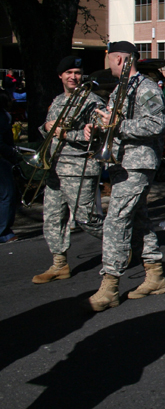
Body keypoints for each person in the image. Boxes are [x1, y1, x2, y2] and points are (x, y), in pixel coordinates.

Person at [82, 41, 165, 311]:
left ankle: (110, 284)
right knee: (140, 219)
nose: (109, 64)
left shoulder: (146, 87)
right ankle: (155, 275)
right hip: (122, 162)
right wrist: (93, 126)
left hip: (138, 163)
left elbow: (156, 124)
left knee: (116, 220)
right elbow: (110, 120)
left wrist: (117, 125)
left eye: (109, 59)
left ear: (119, 59)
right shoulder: (121, 89)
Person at [32, 56, 105, 283]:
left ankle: (126, 241)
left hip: (78, 167)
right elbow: (49, 128)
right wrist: (45, 127)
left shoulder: (92, 101)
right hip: (55, 166)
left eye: (77, 72)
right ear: (60, 76)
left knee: (87, 218)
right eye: (69, 73)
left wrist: (66, 134)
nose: (73, 77)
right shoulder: (57, 100)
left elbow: (98, 133)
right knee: (53, 218)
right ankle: (59, 264)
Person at [0, 93, 17, 244]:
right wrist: (12, 152)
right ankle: (4, 232)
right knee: (7, 194)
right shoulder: (2, 116)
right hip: (2, 159)